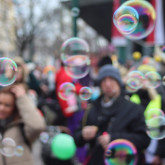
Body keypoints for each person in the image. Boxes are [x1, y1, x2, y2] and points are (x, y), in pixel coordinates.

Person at [74, 65, 150, 165]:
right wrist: (83, 135)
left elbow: (144, 140)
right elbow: (77, 138)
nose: (108, 84)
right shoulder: (92, 108)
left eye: (112, 79)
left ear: (119, 82)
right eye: (104, 80)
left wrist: (114, 138)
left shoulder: (133, 109)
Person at [0, 84, 46, 165]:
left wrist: (22, 98)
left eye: (7, 105)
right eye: (0, 103)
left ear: (15, 108)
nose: (1, 108)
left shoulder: (20, 126)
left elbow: (38, 126)